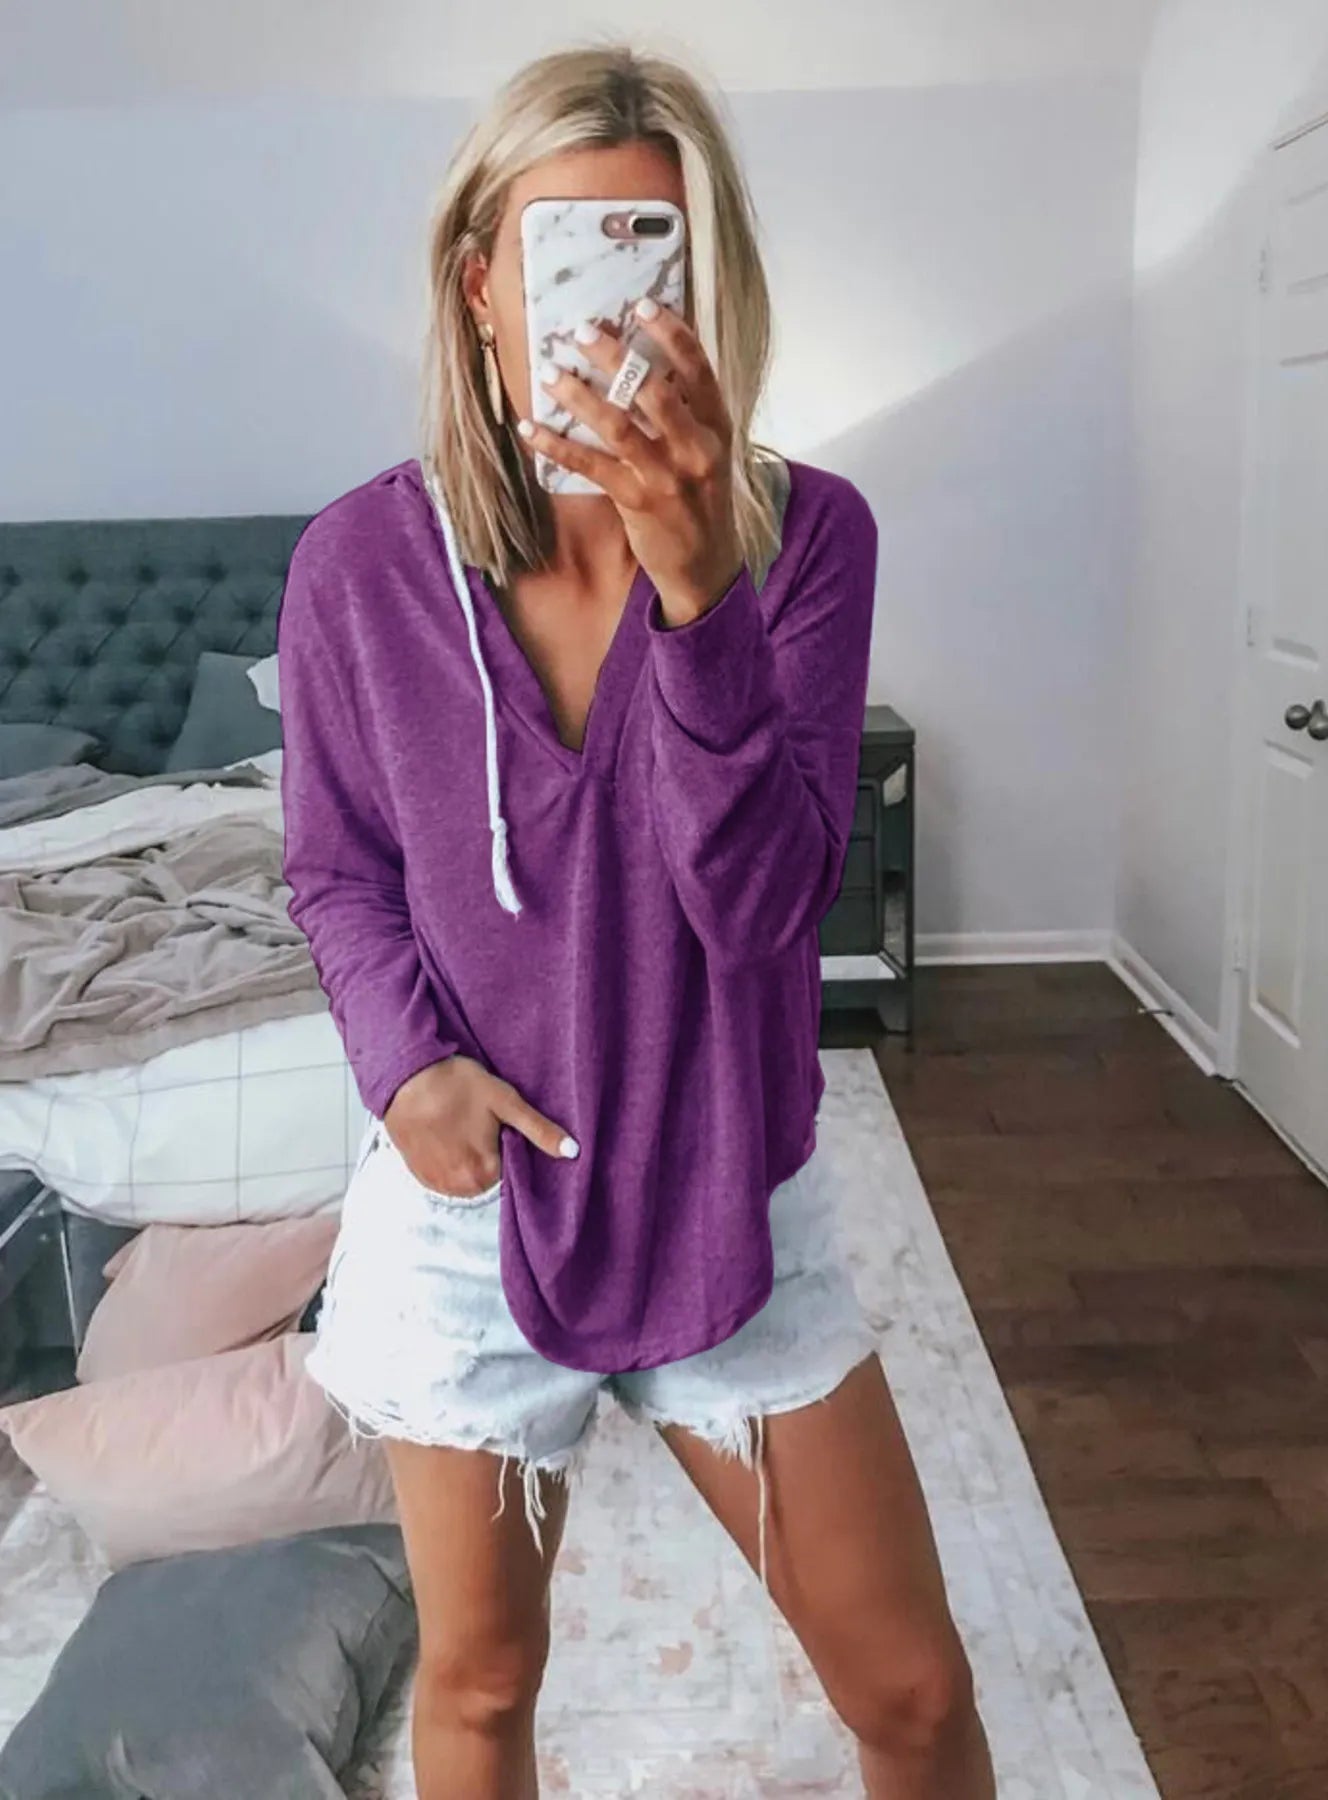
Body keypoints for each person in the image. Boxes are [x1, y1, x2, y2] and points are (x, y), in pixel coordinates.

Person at [277, 40, 995, 1800]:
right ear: (480, 282)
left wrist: (698, 593)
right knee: (479, 1683)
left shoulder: (805, 541)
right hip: (472, 1211)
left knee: (907, 1692)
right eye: (564, 251)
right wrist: (403, 1071)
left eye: (649, 254)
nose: (608, 307)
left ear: (706, 281)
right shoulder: (360, 567)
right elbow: (337, 867)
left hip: (727, 1176)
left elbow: (764, 906)